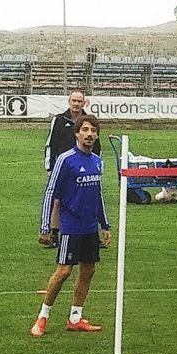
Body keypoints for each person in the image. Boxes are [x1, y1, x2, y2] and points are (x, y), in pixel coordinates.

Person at [32, 114, 111, 336]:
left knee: (88, 270)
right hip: (70, 226)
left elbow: (98, 195)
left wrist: (104, 224)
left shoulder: (97, 161)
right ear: (77, 133)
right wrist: (45, 227)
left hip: (89, 227)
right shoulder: (65, 160)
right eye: (85, 130)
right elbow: (51, 192)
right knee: (64, 271)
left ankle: (75, 317)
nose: (89, 134)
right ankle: (43, 316)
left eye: (93, 131)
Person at [42, 90, 99, 247]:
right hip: (62, 167)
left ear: (84, 103)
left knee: (85, 198)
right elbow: (50, 143)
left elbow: (97, 147)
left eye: (79, 101)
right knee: (57, 200)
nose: (76, 104)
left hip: (83, 166)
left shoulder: (89, 122)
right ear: (69, 101)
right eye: (74, 100)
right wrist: (49, 167)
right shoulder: (59, 120)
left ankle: (88, 232)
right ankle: (54, 233)